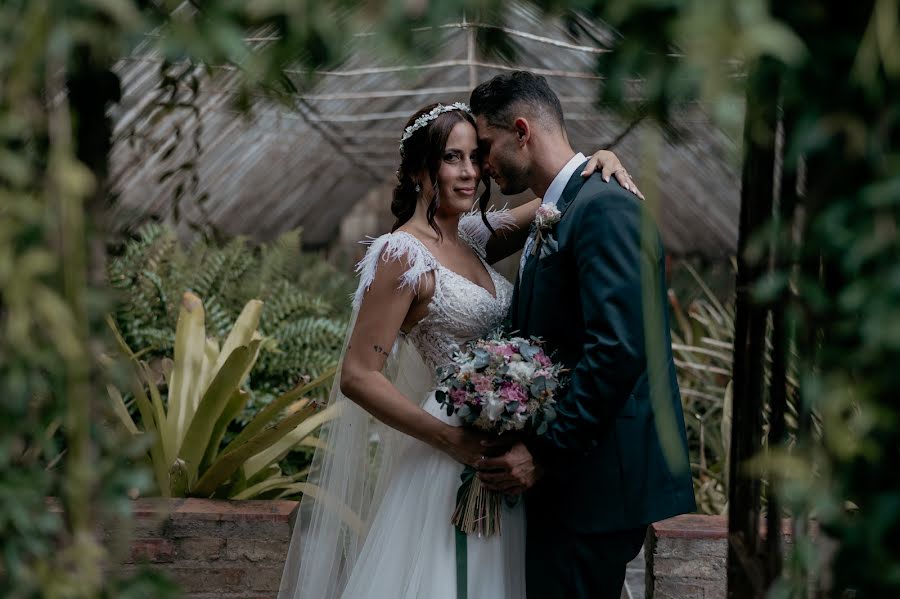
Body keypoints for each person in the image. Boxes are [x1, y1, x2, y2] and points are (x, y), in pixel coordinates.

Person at [276, 100, 641, 599]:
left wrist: (605, 157)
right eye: (453, 158)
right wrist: (450, 441)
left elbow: (564, 189)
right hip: (450, 449)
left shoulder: (472, 237)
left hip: (501, 447)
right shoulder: (400, 253)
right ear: (418, 171)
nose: (471, 173)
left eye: (476, 157)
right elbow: (358, 375)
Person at [469, 71, 696, 599]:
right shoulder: (562, 207)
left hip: (592, 481)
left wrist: (544, 452)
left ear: (521, 130)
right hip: (572, 484)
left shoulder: (605, 209)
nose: (481, 167)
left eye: (485, 148)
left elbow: (617, 349)